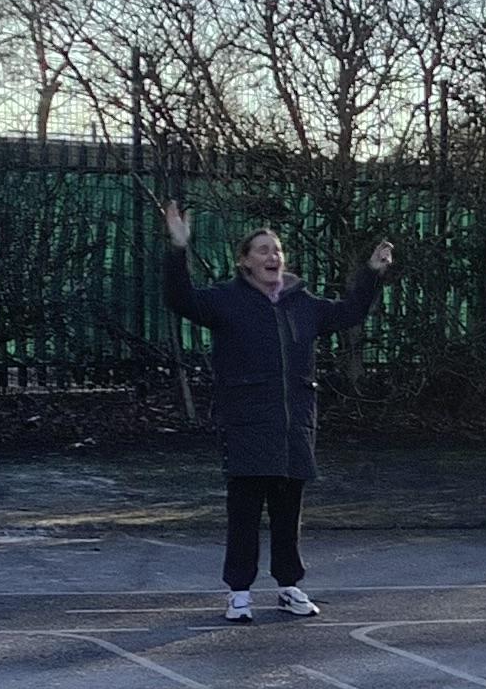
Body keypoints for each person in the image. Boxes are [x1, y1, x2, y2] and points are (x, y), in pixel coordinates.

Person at [160, 203, 394, 621]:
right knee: (244, 515)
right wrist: (178, 247)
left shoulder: (303, 303)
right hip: (247, 424)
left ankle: (289, 586)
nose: (273, 256)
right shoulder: (227, 301)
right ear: (245, 261)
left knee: (288, 515)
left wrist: (372, 272)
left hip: (294, 426)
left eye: (277, 250)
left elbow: (350, 311)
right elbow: (180, 298)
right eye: (263, 250)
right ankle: (239, 594)